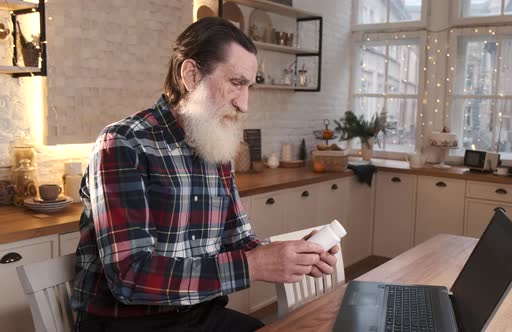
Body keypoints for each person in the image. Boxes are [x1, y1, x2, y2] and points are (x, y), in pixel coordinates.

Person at [72, 17, 338, 332]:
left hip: (198, 316)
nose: (244, 103)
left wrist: (292, 254)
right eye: (236, 83)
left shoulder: (214, 145)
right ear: (191, 74)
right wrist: (254, 265)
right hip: (127, 324)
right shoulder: (123, 144)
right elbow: (130, 276)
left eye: (249, 86)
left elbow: (238, 242)